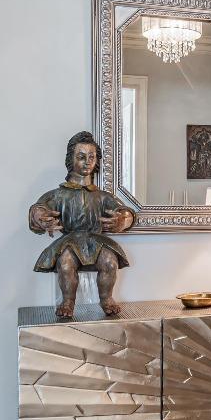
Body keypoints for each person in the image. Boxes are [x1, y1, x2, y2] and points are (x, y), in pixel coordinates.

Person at [28, 131, 136, 318]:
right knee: (66, 263)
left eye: (91, 157)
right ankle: (68, 301)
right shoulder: (59, 194)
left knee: (110, 261)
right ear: (71, 160)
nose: (87, 161)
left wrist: (123, 219)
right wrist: (40, 216)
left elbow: (125, 212)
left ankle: (106, 299)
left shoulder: (102, 196)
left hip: (97, 241)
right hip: (70, 240)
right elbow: (39, 208)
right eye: (81, 157)